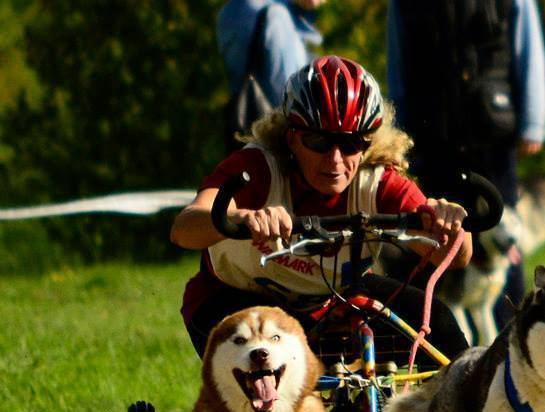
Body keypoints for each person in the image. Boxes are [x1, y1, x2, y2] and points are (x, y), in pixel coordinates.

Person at [171, 55, 474, 365]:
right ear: (291, 137)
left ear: (367, 142)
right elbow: (184, 228)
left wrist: (448, 224)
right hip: (232, 298)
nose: (335, 160)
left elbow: (456, 257)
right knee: (272, 386)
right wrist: (241, 217)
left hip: (331, 302)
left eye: (351, 143)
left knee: (438, 322)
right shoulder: (258, 166)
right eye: (318, 141)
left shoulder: (379, 181)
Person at [386, 0, 545, 329]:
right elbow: (398, 64)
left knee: (503, 243)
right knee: (434, 241)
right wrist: (397, 137)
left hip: (492, 136)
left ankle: (511, 335)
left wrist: (533, 120)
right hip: (432, 140)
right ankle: (437, 336)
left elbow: (528, 51)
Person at [218, 0, 325, 108]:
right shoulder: (275, 16)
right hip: (278, 118)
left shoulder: (231, 13)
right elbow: (291, 106)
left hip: (256, 116)